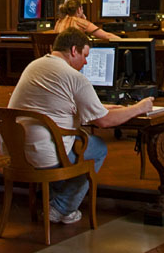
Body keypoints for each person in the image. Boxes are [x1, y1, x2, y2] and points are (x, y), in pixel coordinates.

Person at [8, 28, 154, 224]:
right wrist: (139, 107)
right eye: (85, 55)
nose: (86, 62)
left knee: (73, 144)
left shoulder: (35, 65)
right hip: (45, 155)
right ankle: (61, 207)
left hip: (16, 152)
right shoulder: (74, 77)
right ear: (74, 50)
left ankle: (52, 198)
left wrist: (101, 106)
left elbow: (56, 101)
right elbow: (104, 122)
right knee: (98, 147)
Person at [53, 0, 121, 41]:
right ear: (79, 9)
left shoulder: (59, 21)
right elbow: (106, 35)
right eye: (82, 9)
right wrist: (123, 40)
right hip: (72, 57)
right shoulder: (80, 22)